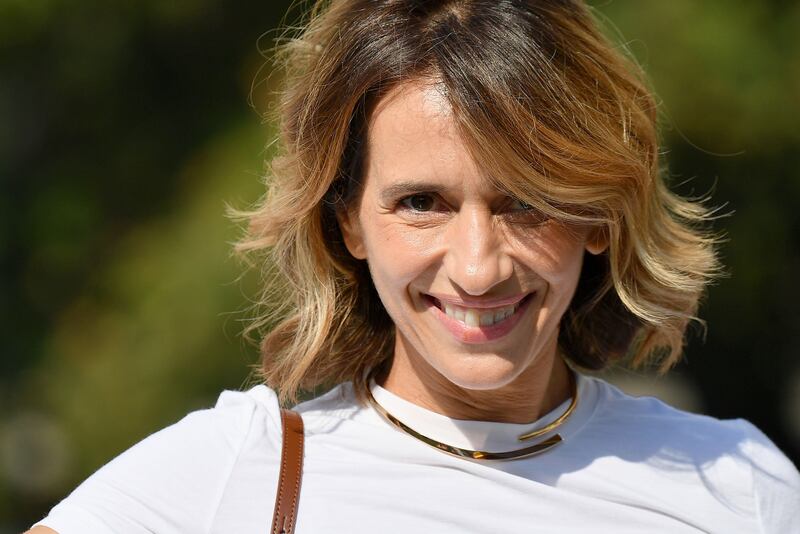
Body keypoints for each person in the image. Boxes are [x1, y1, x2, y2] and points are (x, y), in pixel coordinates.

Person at [28, 1, 800, 532]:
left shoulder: (736, 486)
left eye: (525, 202)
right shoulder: (230, 477)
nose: (477, 265)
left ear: (599, 216)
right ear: (348, 225)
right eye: (423, 202)